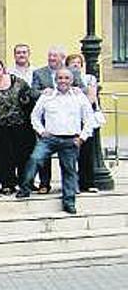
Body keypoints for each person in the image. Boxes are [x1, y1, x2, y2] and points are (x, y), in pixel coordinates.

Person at [16, 68, 94, 214]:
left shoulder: (79, 97)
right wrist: (41, 131)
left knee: (69, 170)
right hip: (49, 138)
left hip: (71, 139)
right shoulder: (47, 96)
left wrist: (82, 138)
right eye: (60, 78)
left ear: (71, 80)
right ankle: (25, 188)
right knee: (34, 159)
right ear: (55, 80)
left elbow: (89, 119)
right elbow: (35, 116)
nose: (63, 81)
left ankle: (69, 202)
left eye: (66, 78)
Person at [30, 46, 85, 194]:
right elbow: (32, 92)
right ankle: (44, 183)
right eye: (50, 56)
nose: (52, 59)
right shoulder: (39, 73)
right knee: (43, 156)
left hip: (68, 122)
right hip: (47, 121)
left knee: (69, 159)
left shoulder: (72, 72)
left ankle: (71, 185)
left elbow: (82, 89)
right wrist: (43, 92)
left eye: (55, 56)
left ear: (62, 58)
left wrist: (78, 90)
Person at [0, 57, 37, 194]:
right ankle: (7, 183)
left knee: (24, 155)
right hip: (0, 127)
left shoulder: (17, 81)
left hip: (21, 124)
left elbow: (30, 97)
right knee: (3, 157)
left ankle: (25, 183)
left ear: (2, 67)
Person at [66, 53, 102, 193]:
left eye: (78, 63)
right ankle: (73, 183)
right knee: (71, 152)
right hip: (71, 119)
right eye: (72, 63)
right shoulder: (65, 78)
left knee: (87, 151)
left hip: (85, 118)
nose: (76, 65)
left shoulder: (89, 78)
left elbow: (91, 98)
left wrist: (78, 95)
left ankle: (87, 182)